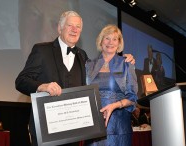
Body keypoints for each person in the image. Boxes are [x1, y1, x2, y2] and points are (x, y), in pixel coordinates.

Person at [15, 11, 135, 146]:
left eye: (78, 27)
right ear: (60, 28)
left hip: (74, 132)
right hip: (47, 130)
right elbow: (21, 81)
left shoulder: (83, 56)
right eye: (70, 25)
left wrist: (126, 58)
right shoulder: (42, 50)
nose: (74, 30)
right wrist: (43, 86)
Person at [84, 24, 138, 146]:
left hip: (118, 127)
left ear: (119, 44)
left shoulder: (126, 64)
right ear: (101, 41)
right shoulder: (89, 65)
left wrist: (114, 105)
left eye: (115, 39)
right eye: (107, 38)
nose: (110, 42)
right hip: (94, 128)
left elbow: (132, 98)